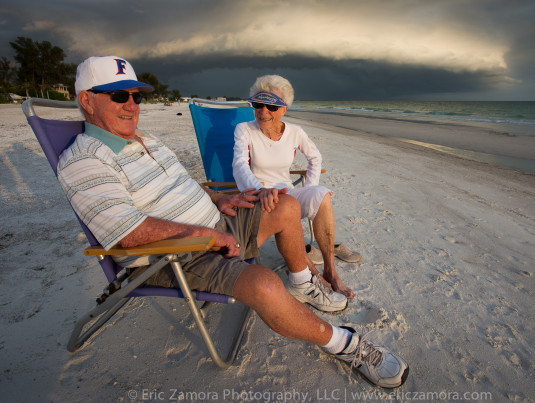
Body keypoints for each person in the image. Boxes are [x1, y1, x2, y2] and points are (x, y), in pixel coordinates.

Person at [56, 56, 408, 388]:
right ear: (87, 101)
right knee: (266, 285)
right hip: (174, 255)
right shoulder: (84, 161)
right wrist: (206, 235)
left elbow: (184, 185)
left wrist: (219, 198)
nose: (132, 105)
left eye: (136, 96)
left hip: (214, 224)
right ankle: (346, 344)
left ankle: (302, 282)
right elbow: (128, 232)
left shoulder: (147, 140)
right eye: (120, 96)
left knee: (286, 206)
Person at [232, 75, 361, 299]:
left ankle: (330, 271)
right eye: (257, 104)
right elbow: (239, 165)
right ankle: (313, 275)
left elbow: (315, 158)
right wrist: (259, 189)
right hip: (260, 196)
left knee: (321, 195)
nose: (263, 110)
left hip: (287, 193)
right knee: (290, 204)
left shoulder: (295, 132)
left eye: (271, 105)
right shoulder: (244, 130)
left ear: (284, 109)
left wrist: (309, 188)